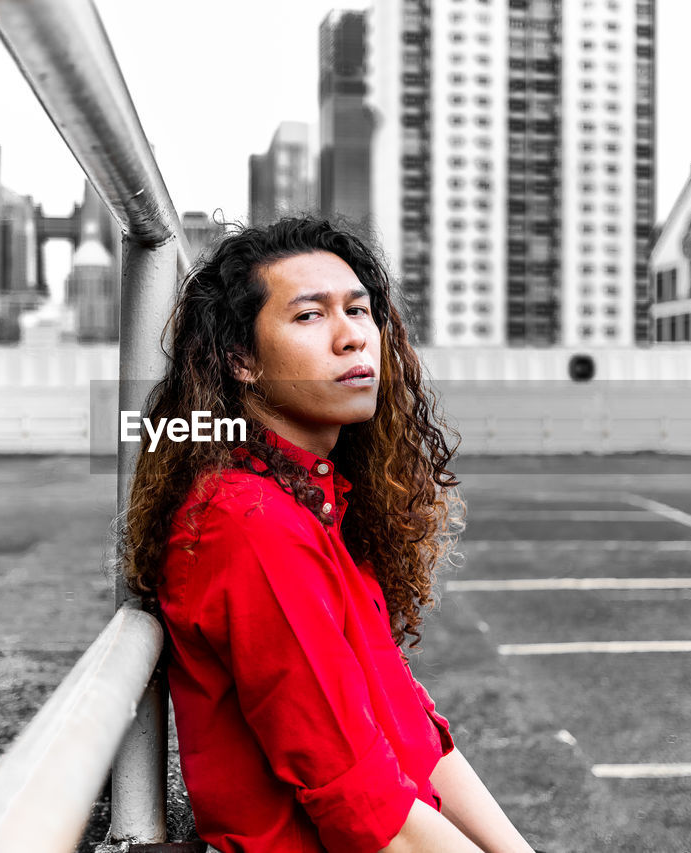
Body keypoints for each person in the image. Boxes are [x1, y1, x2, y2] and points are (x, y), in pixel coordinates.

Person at [122, 218, 536, 853]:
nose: (353, 340)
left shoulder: (316, 501)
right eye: (310, 317)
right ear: (242, 361)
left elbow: (416, 736)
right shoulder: (248, 522)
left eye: (360, 310)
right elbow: (358, 797)